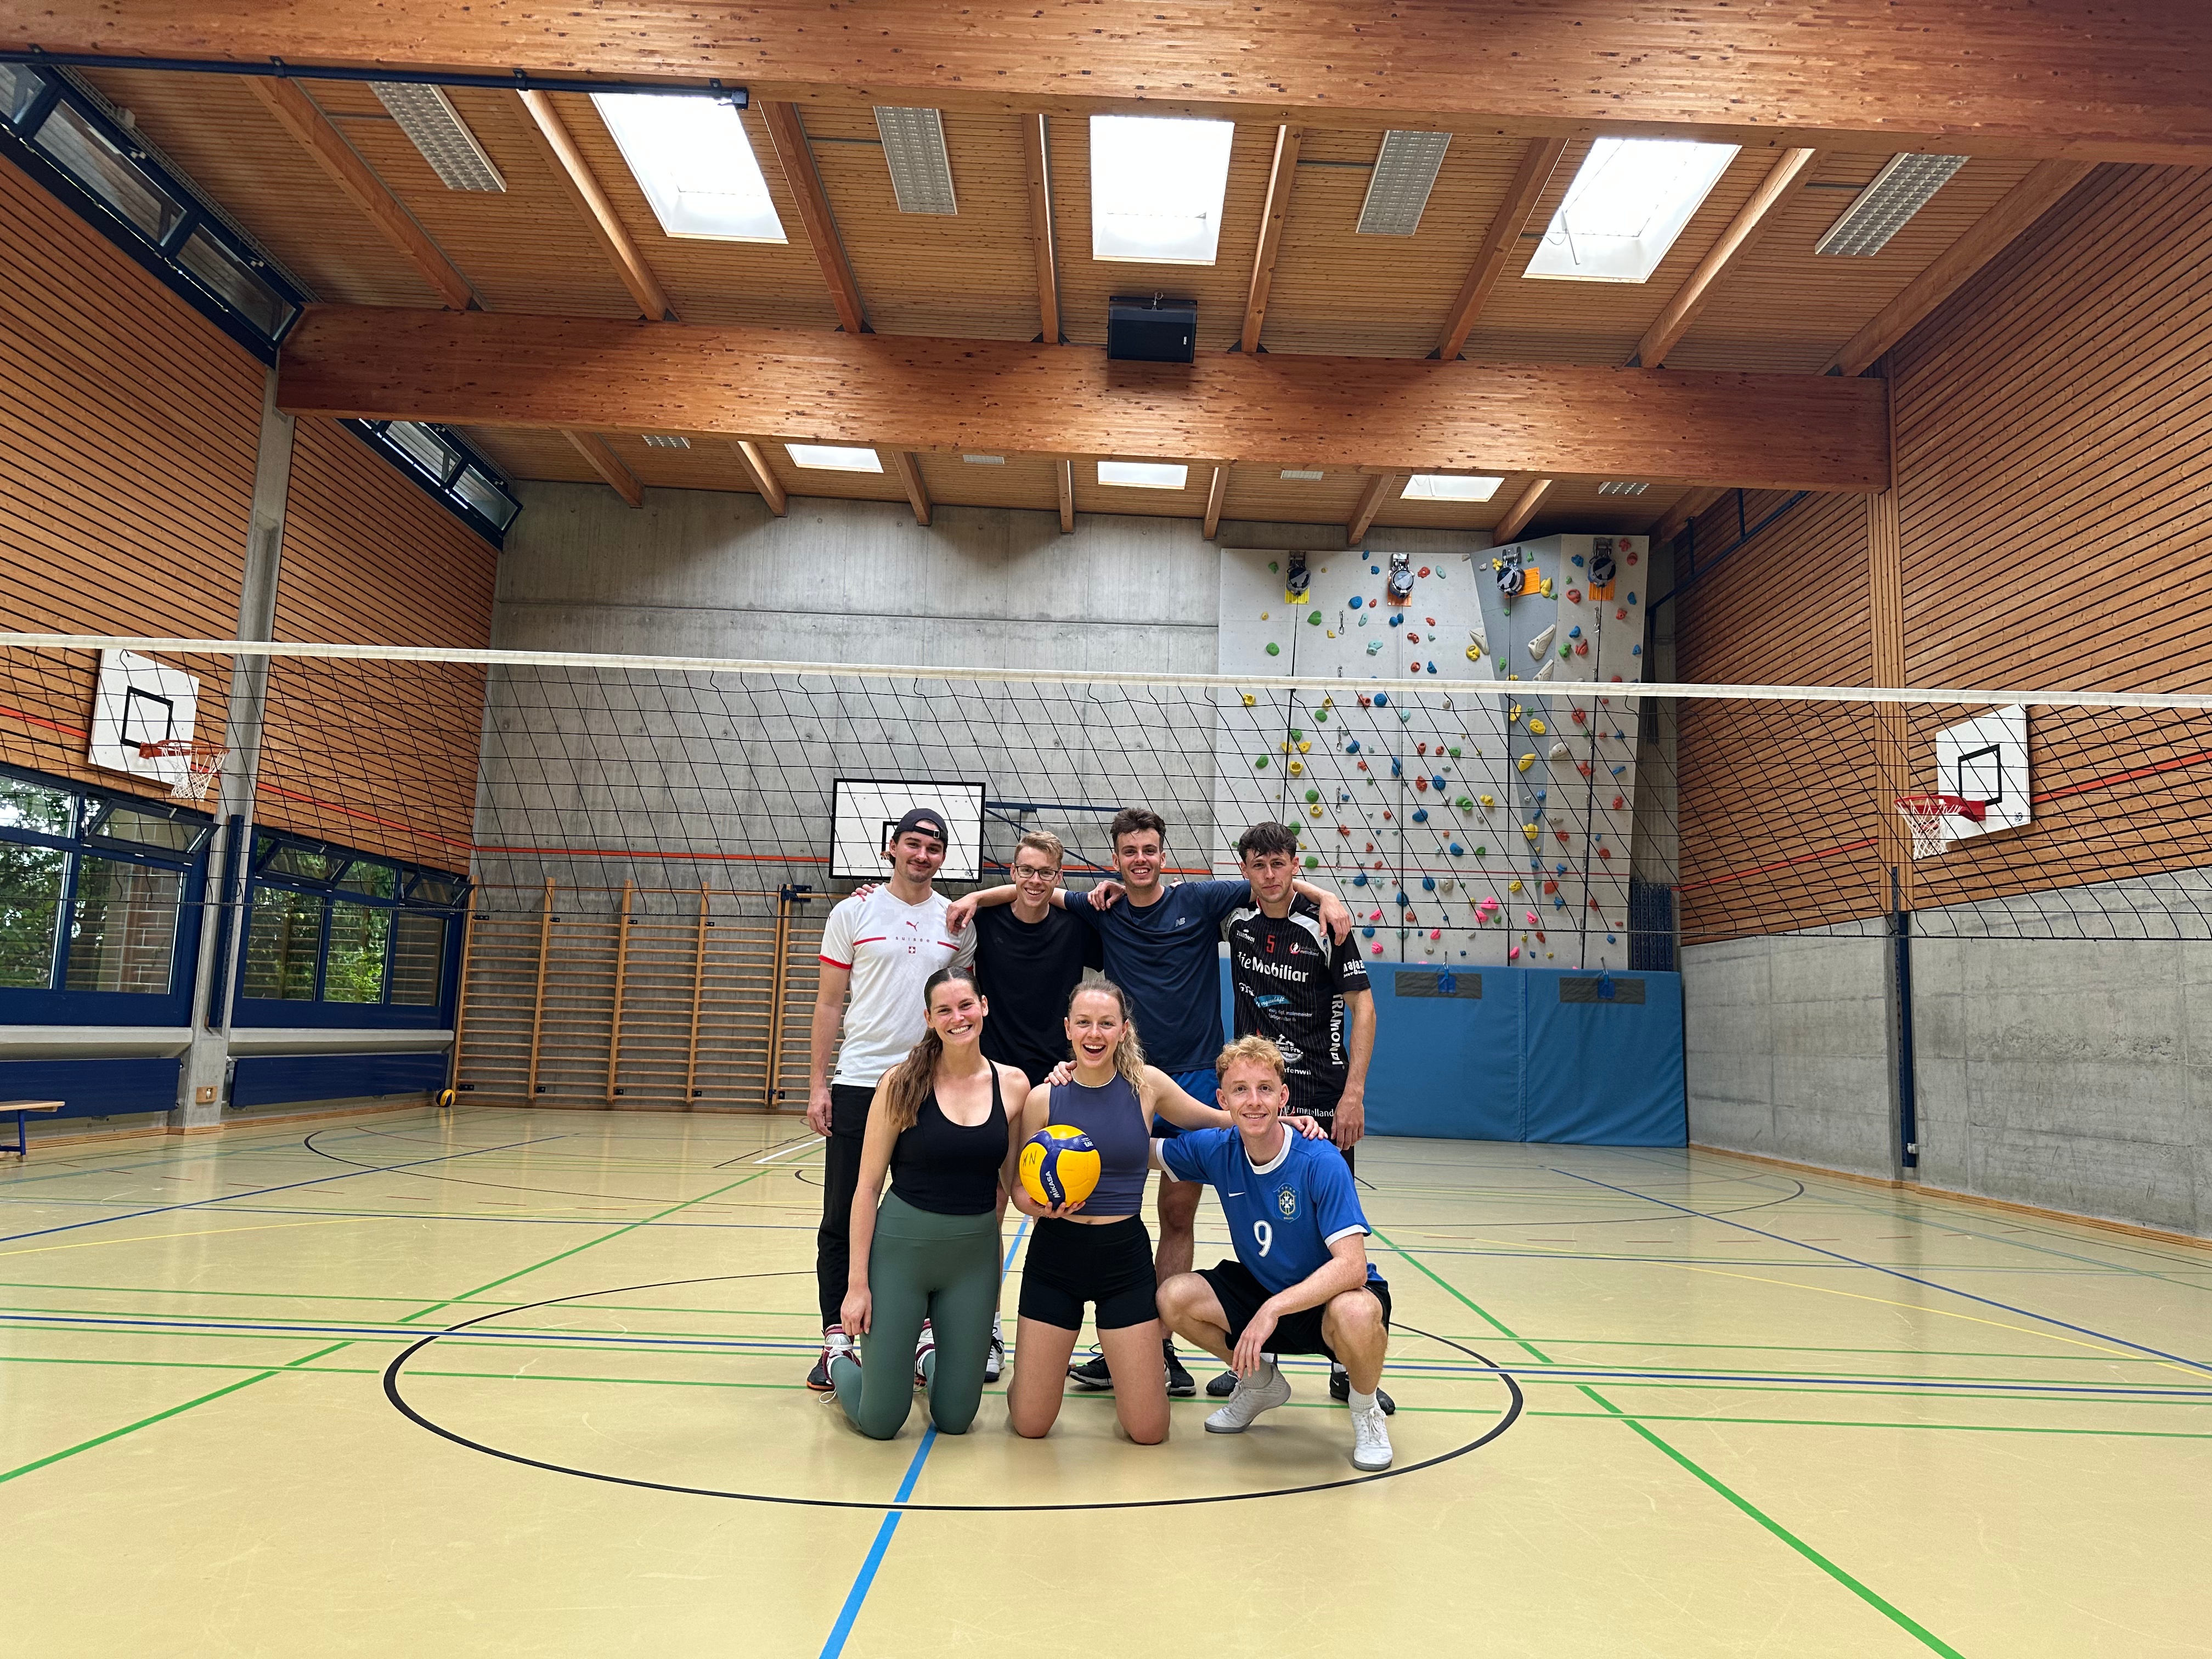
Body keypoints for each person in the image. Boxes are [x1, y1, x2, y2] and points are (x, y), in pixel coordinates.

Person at [950, 806, 1351, 1397]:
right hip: (1124, 1079)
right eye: (1129, 852)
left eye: (1149, 850)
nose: (1140, 860)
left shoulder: (1200, 899)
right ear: (1115, 859)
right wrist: (976, 898)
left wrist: (1326, 898)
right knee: (1109, 1206)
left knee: (1176, 1216)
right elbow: (1038, 888)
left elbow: (1271, 881)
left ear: (1164, 855)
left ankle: (1159, 1347)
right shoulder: (1102, 907)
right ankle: (1122, 1340)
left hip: (1190, 1079)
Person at [1154, 1036, 1395, 1473]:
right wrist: (1071, 1100)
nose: (1254, 1101)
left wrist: (1273, 1309)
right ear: (1222, 1100)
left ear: (1283, 1097)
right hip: (1265, 1288)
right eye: (1240, 1090)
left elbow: (1352, 1267)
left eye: (1265, 1089)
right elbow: (1137, 1152)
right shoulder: (1217, 1148)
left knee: (1358, 1311)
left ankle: (1366, 1411)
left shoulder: (1320, 1159)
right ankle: (1260, 1383)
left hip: (1328, 1300)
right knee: (1174, 1297)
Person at [1214, 820, 1387, 1412]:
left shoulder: (1325, 927)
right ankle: (1257, 1362)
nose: (1269, 875)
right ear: (1245, 869)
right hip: (1258, 1097)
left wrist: (1354, 1093)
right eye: (1258, 865)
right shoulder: (1235, 918)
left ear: (1295, 864)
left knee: (1330, 1231)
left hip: (1321, 1096)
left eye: (1279, 864)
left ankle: (1349, 1363)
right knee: (1261, 1223)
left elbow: (1365, 1009)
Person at [805, 808, 977, 1392]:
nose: (922, 855)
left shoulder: (955, 921)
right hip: (859, 1082)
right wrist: (819, 1084)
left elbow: (960, 1009)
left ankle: (921, 1332)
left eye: (934, 848)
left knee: (921, 1214)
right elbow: (830, 1003)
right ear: (891, 849)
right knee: (843, 1213)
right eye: (913, 844)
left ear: (943, 857)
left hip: (928, 1086)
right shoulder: (852, 912)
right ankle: (837, 1337)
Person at [830, 967, 1029, 1440]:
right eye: (945, 1010)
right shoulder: (900, 1083)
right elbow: (866, 1188)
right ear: (929, 1018)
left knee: (956, 1420)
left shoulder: (1014, 1085)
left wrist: (1050, 1204)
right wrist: (856, 1286)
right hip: (900, 1255)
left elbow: (1014, 1184)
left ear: (984, 1007)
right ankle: (839, 1358)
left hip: (973, 1260)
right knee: (881, 1421)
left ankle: (928, 1358)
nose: (958, 1017)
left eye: (966, 1005)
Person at [968, 830, 1102, 1087]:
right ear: (1013, 872)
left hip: (1058, 1073)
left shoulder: (1076, 929)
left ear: (1059, 877)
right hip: (994, 1069)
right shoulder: (983, 922)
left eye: (1046, 872)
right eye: (1027, 870)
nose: (1036, 880)